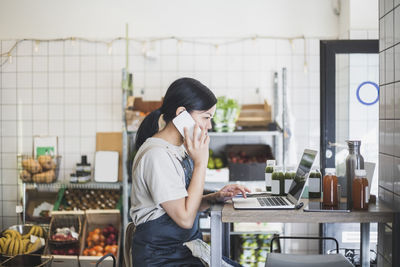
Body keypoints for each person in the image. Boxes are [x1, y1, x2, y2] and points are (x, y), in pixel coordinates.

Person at [130, 77, 249, 266]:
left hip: (184, 251)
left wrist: (215, 198)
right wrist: (201, 163)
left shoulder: (178, 149)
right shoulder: (157, 155)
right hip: (162, 258)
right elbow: (185, 219)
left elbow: (183, 205)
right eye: (206, 118)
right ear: (181, 113)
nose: (209, 126)